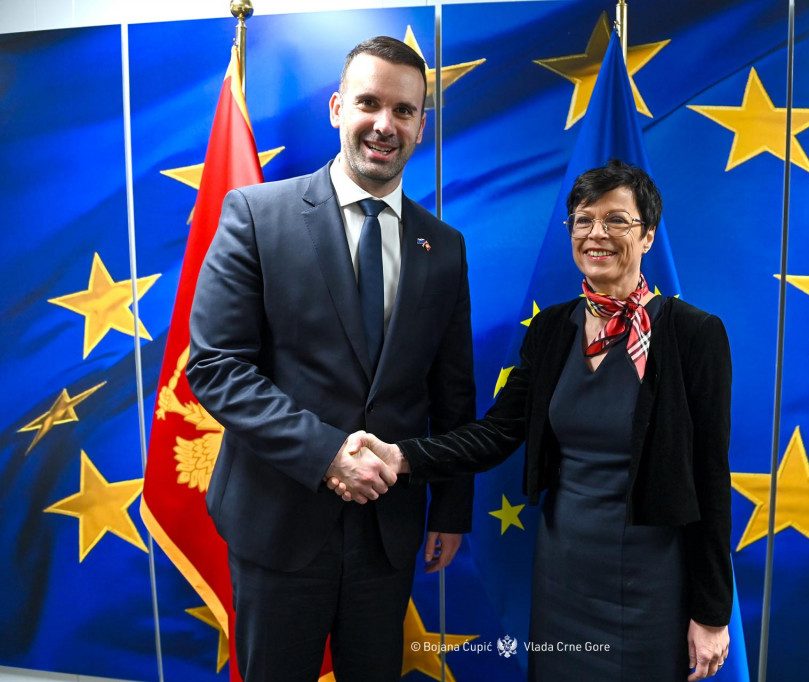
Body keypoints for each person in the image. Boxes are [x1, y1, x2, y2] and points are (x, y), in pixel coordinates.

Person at [335, 160, 733, 681]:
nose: (596, 233)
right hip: (562, 573)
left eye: (616, 220)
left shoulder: (694, 336)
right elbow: (497, 432)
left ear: (648, 235)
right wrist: (401, 456)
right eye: (583, 220)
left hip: (653, 580)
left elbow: (710, 478)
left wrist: (712, 613)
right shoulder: (550, 329)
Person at [186, 36, 476, 682]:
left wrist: (451, 508)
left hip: (389, 530)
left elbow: (452, 390)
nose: (385, 124)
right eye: (369, 103)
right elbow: (215, 366)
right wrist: (328, 454)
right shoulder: (256, 215)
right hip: (278, 519)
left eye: (404, 110)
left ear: (421, 125)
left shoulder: (444, 246)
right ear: (338, 108)